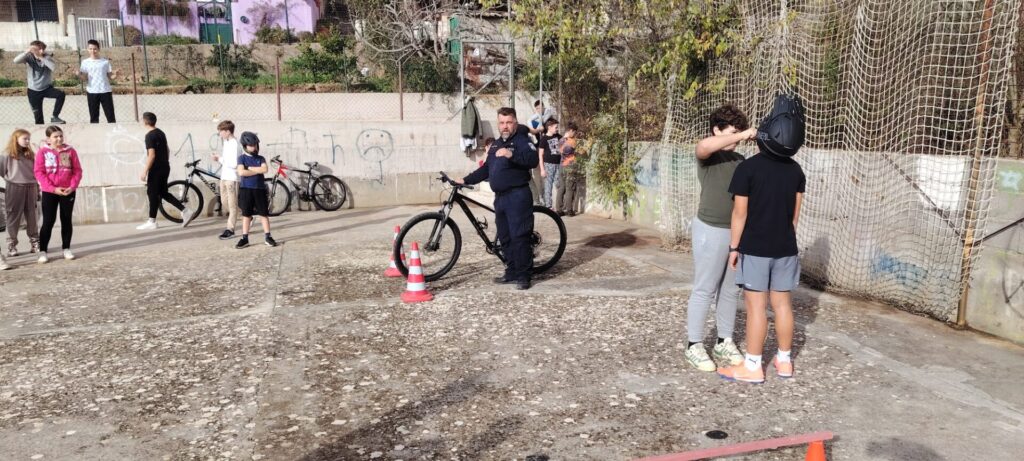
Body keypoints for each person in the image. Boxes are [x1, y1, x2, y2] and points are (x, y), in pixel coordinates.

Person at [718, 94, 807, 384]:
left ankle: (753, 366)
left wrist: (734, 247)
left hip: (756, 249)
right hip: (786, 248)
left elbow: (739, 214)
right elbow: (794, 217)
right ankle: (784, 361)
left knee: (757, 307)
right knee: (782, 305)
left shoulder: (748, 168)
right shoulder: (796, 171)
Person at [683, 104, 757, 373]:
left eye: (739, 132)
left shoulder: (740, 161)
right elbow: (703, 146)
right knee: (705, 288)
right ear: (717, 130)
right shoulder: (708, 156)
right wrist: (744, 134)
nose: (737, 137)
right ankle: (694, 345)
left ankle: (724, 340)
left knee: (730, 290)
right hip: (710, 229)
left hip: (736, 234)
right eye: (731, 132)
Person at [455, 107, 539, 290]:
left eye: (509, 122)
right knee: (505, 237)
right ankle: (512, 271)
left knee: (519, 236)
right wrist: (465, 180)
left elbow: (533, 160)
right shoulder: (495, 144)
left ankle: (524, 275)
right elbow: (486, 169)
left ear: (515, 123)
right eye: (502, 123)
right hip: (500, 198)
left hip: (518, 196)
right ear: (498, 124)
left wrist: (511, 154)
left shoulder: (523, 140)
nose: (505, 126)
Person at [34, 125, 82, 263]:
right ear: (48, 139)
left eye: (61, 136)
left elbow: (77, 171)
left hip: (68, 191)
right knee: (48, 221)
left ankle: (66, 248)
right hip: (50, 191)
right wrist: (53, 188)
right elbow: (39, 172)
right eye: (55, 137)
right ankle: (43, 251)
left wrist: (72, 187)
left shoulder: (70, 151)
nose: (59, 139)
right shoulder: (43, 152)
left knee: (66, 219)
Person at [138, 112, 193, 230]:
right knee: (163, 193)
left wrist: (145, 171)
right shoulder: (161, 133)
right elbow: (167, 150)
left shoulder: (149, 136)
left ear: (145, 121)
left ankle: (152, 221)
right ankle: (185, 211)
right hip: (165, 167)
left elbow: (151, 155)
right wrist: (164, 162)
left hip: (156, 169)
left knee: (152, 193)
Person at [1, 129, 41, 261]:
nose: (28, 141)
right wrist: (12, 179)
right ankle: (11, 245)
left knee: (32, 216)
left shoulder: (30, 154)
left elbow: (36, 171)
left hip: (31, 187)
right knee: (13, 217)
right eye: (25, 138)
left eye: (29, 138)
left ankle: (35, 242)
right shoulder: (7, 154)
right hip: (15, 187)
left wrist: (37, 188)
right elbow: (2, 171)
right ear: (16, 139)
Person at [235, 132, 277, 248]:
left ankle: (268, 236)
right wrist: (257, 170)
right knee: (246, 215)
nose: (253, 147)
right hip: (246, 189)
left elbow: (265, 169)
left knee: (264, 214)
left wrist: (250, 168)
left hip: (259, 189)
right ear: (245, 146)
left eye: (255, 145)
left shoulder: (260, 158)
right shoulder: (242, 158)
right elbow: (241, 172)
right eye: (251, 145)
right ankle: (245, 238)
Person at [13, 41, 66, 125]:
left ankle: (55, 116)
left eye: (36, 49)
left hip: (46, 88)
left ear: (42, 50)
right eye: (33, 49)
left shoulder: (47, 57)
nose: (34, 51)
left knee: (61, 94)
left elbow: (53, 67)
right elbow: (15, 61)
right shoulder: (28, 57)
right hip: (33, 90)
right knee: (38, 118)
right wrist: (27, 51)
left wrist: (40, 57)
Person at [212, 120, 241, 239]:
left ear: (228, 131)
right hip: (224, 177)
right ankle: (247, 217)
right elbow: (227, 161)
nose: (220, 134)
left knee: (232, 205)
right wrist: (219, 159)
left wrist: (219, 159)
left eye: (221, 131)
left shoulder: (235, 144)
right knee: (225, 203)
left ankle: (230, 229)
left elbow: (234, 163)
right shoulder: (226, 142)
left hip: (232, 178)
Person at [79, 39, 117, 123]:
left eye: (95, 49)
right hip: (92, 91)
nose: (93, 51)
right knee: (94, 118)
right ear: (88, 49)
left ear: (99, 49)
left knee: (111, 117)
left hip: (105, 91)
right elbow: (84, 78)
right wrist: (78, 74)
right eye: (90, 49)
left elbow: (111, 76)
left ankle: (113, 130)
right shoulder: (85, 62)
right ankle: (94, 131)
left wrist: (116, 75)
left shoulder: (105, 62)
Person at [556, 123, 584, 216]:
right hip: (570, 166)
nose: (575, 134)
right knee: (570, 188)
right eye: (575, 132)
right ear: (571, 131)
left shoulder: (560, 140)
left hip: (562, 166)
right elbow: (581, 151)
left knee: (561, 187)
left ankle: (559, 209)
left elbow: (560, 151)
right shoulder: (572, 141)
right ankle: (569, 210)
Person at [538, 118, 562, 210]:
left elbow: (565, 142)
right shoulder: (544, 139)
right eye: (556, 127)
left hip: (558, 164)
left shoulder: (558, 136)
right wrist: (542, 169)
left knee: (559, 184)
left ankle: (558, 205)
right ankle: (548, 206)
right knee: (548, 185)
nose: (557, 129)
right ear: (549, 127)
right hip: (548, 165)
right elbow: (540, 154)